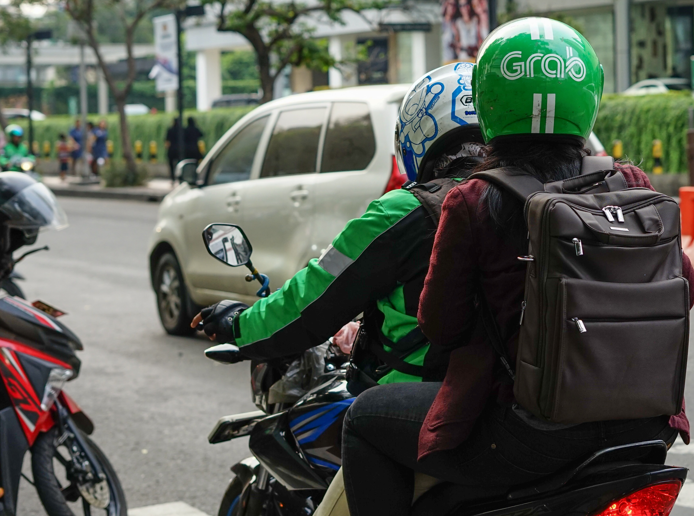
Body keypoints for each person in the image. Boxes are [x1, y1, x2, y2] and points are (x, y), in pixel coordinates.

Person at [338, 18, 694, 516]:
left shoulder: (473, 199)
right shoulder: (628, 181)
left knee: (361, 420)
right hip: (644, 427)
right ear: (588, 96)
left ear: (486, 100)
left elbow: (440, 325)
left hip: (528, 435)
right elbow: (685, 287)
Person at [193, 63, 486, 516]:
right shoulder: (545, 200)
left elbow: (310, 299)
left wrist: (240, 323)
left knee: (361, 429)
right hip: (534, 419)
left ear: (418, 134)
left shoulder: (409, 211)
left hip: (430, 417)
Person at [165, 117, 182, 183]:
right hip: (179, 150)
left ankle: (173, 178)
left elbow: (167, 141)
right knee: (179, 164)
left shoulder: (170, 130)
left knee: (171, 165)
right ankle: (179, 178)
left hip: (171, 149)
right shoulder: (181, 130)